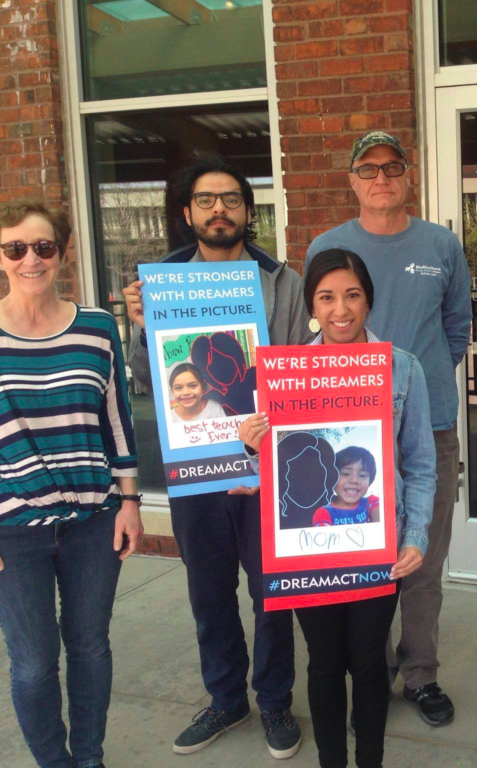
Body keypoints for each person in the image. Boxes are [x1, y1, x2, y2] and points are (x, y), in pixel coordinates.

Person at [123, 155, 313, 758]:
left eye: (231, 199)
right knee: (208, 592)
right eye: (205, 200)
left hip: (263, 466)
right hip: (195, 468)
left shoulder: (283, 281)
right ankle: (227, 700)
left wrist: (269, 457)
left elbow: (297, 374)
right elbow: (145, 377)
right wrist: (139, 326)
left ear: (248, 210)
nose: (219, 210)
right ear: (188, 213)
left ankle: (275, 701)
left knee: (272, 593)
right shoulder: (161, 283)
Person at [239, 248, 436, 768]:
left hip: (379, 547)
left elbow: (421, 466)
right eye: (326, 297)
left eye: (352, 295)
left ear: (368, 301)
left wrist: (415, 536)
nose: (340, 309)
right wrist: (251, 447)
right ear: (312, 306)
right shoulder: (285, 373)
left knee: (369, 662)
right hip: (309, 548)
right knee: (324, 663)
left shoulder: (402, 369)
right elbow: (272, 475)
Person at [304, 130, 470, 726]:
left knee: (420, 559)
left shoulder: (441, 244)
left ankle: (420, 673)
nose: (381, 178)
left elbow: (456, 328)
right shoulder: (328, 245)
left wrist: (414, 387)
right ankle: (368, 672)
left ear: (408, 176)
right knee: (357, 556)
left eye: (392, 167)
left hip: (428, 424)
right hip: (348, 432)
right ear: (352, 180)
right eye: (368, 168)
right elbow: (316, 330)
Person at [0, 199, 143, 768]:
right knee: (34, 663)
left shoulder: (97, 328)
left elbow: (118, 421)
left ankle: (89, 758)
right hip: (12, 529)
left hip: (93, 521)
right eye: (15, 248)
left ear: (62, 252)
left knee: (89, 648)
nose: (30, 259)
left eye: (43, 247)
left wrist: (130, 501)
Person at [312, 447, 381, 526]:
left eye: (362, 475)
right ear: (333, 477)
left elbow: (382, 520)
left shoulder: (371, 502)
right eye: (346, 473)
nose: (354, 480)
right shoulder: (324, 513)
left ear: (370, 481)